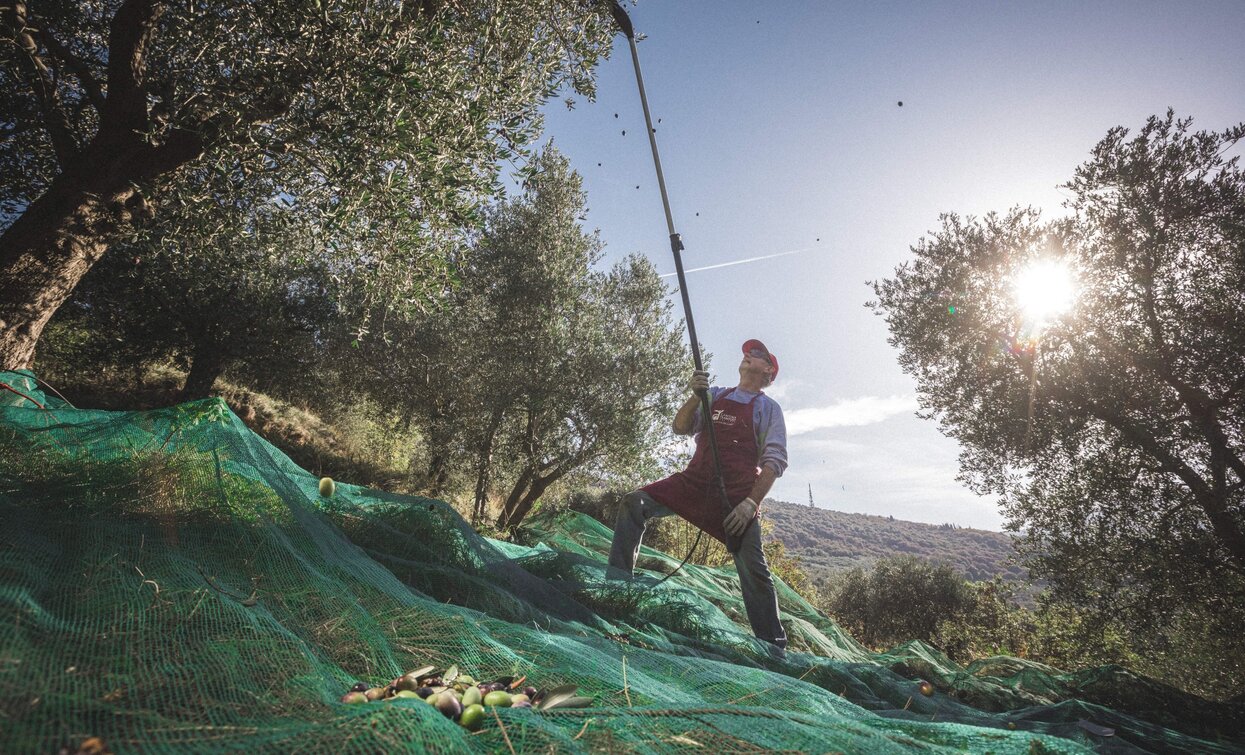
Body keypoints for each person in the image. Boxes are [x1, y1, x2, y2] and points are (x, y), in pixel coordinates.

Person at [608, 338, 789, 655]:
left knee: (755, 573)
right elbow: (680, 427)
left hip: (736, 497)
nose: (749, 355)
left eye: (758, 355)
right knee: (633, 503)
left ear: (768, 372)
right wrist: (695, 397)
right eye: (748, 352)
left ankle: (774, 649)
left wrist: (750, 504)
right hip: (693, 481)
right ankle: (615, 592)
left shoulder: (768, 409)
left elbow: (774, 462)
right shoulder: (715, 395)